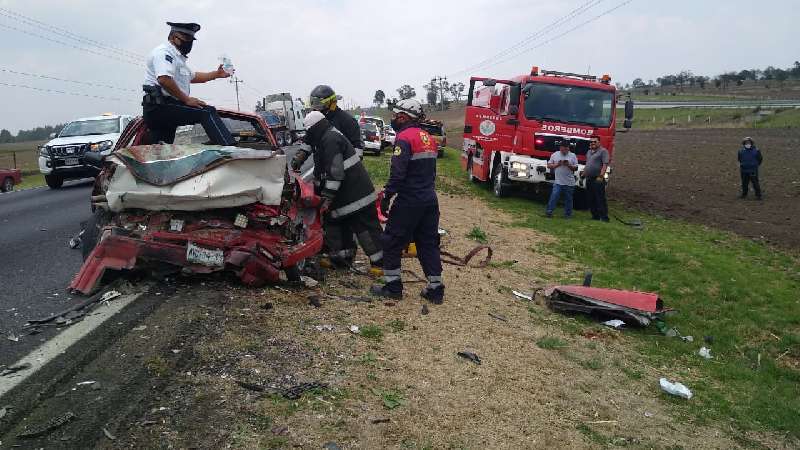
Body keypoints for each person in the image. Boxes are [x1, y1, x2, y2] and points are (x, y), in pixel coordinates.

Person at [370, 99, 444, 304]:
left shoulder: (404, 137)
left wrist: (387, 196)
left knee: (391, 242)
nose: (393, 119)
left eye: (395, 116)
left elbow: (398, 173)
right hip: (430, 200)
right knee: (428, 243)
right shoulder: (428, 137)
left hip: (410, 200)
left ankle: (393, 287)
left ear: (403, 117)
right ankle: (436, 289)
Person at [300, 111, 384, 273]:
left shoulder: (330, 139)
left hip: (357, 196)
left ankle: (382, 264)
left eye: (310, 131)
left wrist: (326, 198)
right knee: (339, 225)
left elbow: (335, 172)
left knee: (365, 229)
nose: (309, 135)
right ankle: (341, 259)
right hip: (347, 196)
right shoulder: (325, 137)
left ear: (316, 127)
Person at [142, 22, 235, 146]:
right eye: (186, 38)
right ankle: (229, 149)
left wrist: (216, 74)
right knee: (207, 112)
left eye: (191, 39)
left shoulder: (178, 58)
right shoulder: (164, 53)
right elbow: (164, 79)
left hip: (167, 108)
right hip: (160, 106)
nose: (189, 42)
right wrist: (186, 100)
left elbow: (193, 76)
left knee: (161, 150)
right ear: (173, 37)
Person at [308, 85, 364, 156]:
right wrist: (301, 154)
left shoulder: (348, 121)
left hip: (341, 165)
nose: (316, 109)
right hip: (321, 164)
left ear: (331, 103)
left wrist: (347, 165)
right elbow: (309, 140)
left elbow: (357, 148)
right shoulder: (317, 120)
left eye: (319, 105)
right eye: (314, 103)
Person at [545, 140, 579, 218]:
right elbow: (549, 165)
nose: (565, 151)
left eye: (566, 149)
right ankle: (549, 212)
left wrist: (569, 165)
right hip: (558, 182)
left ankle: (568, 215)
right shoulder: (555, 154)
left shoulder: (573, 155)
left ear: (568, 148)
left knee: (568, 199)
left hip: (569, 182)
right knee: (554, 196)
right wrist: (558, 164)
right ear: (560, 148)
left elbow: (576, 168)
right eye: (563, 149)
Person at [584, 136, 610, 221]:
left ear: (599, 142)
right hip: (589, 178)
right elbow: (588, 164)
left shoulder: (603, 151)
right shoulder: (589, 152)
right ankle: (595, 216)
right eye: (591, 142)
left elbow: (605, 165)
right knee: (591, 198)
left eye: (594, 141)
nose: (592, 143)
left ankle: (604, 217)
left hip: (597, 178)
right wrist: (584, 174)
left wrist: (601, 176)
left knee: (600, 198)